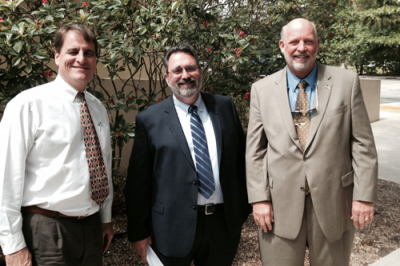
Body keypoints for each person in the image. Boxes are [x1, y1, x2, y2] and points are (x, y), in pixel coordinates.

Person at [246, 18, 378, 266]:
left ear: (318, 44)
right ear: (282, 46)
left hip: (334, 203)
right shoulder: (261, 90)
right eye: (294, 41)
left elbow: (363, 144)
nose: (301, 47)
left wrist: (364, 196)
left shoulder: (346, 82)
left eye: (308, 41)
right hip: (278, 207)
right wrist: (259, 199)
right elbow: (255, 151)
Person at [125, 45, 251, 266]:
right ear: (167, 77)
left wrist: (242, 209)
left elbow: (241, 160)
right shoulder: (149, 119)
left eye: (191, 68)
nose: (185, 75)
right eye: (177, 70)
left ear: (200, 72)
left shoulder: (224, 107)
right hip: (171, 227)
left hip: (223, 225)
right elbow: (138, 183)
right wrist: (139, 232)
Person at [0, 24, 114, 266]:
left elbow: (103, 166)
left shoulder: (98, 108)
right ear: (57, 56)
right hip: (47, 230)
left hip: (92, 229)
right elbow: (6, 179)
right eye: (73, 51)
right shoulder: (28, 105)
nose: (81, 59)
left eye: (89, 53)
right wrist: (12, 246)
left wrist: (105, 218)